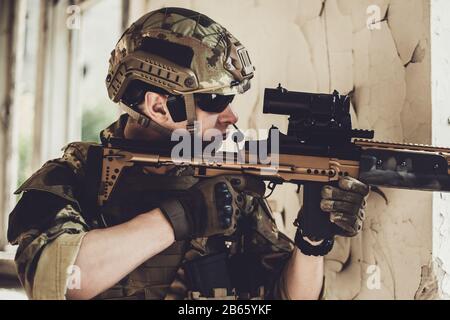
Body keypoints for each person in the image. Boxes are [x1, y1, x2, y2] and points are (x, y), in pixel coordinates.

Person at [7, 7, 369, 300]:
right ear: (160, 107)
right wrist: (180, 217)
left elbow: (286, 296)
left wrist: (313, 239)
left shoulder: (227, 180)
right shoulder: (73, 177)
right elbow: (57, 280)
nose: (232, 116)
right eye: (216, 101)